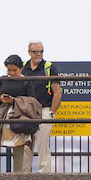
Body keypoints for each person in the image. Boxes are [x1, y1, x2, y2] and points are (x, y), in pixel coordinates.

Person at [0, 55, 34, 172]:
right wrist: (1, 99)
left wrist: (14, 100)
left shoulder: (27, 82)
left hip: (19, 115)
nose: (12, 73)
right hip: (2, 114)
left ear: (21, 68)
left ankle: (17, 178)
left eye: (14, 70)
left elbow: (32, 102)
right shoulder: (2, 80)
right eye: (9, 70)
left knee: (18, 148)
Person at [22, 41, 60, 172]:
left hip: (44, 109)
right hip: (26, 111)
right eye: (35, 52)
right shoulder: (23, 67)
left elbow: (57, 92)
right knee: (25, 146)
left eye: (41, 51)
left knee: (43, 146)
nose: (39, 54)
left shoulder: (49, 68)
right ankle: (23, 178)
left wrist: (52, 112)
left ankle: (45, 177)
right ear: (29, 53)